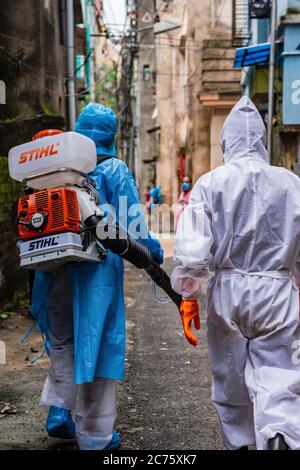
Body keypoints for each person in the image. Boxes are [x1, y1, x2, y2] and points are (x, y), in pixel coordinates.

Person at [31, 103, 163, 450]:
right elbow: (133, 223)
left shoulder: (52, 167)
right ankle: (95, 436)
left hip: (53, 268)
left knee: (63, 342)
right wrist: (152, 251)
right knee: (99, 345)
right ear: (111, 135)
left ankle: (60, 408)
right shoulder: (114, 168)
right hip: (96, 274)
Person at [171, 96, 300, 450]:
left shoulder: (211, 184)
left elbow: (194, 250)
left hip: (227, 292)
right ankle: (280, 436)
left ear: (226, 141)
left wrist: (188, 295)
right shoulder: (290, 183)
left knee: (230, 383)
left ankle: (241, 444)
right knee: (281, 377)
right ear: (261, 140)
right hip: (278, 291)